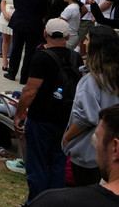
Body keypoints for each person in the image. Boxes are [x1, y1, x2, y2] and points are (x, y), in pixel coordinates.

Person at [14, 18, 84, 203]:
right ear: (68, 36)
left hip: (41, 118)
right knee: (57, 164)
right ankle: (54, 202)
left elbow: (30, 90)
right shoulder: (75, 57)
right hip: (65, 118)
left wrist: (19, 114)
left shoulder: (42, 57)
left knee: (37, 165)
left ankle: (37, 201)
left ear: (46, 34)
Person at [62, 26, 119, 186]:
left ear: (96, 46)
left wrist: (67, 138)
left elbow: (85, 118)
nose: (84, 43)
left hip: (87, 154)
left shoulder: (91, 82)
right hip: (112, 154)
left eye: (87, 39)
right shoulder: (113, 78)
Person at [31, 104, 119, 205]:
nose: (95, 146)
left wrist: (67, 137)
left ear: (115, 148)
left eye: (97, 138)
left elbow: (86, 116)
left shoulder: (53, 202)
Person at [7, 0, 50, 83]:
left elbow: (16, 5)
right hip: (33, 24)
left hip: (19, 22)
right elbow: (43, 11)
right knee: (30, 51)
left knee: (16, 48)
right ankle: (24, 77)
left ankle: (12, 72)